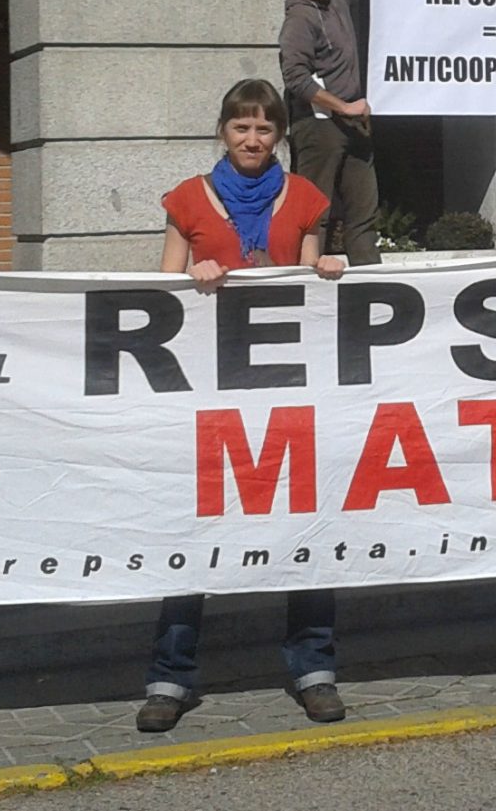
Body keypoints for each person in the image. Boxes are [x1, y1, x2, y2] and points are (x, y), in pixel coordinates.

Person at [141, 78, 350, 732]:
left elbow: (306, 285)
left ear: (279, 136)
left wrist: (326, 271)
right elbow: (160, 292)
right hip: (209, 393)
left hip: (287, 393)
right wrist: (190, 277)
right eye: (241, 127)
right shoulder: (187, 199)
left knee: (306, 524)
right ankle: (170, 677)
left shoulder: (305, 198)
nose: (253, 139)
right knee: (194, 527)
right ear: (223, 132)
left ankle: (314, 668)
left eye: (264, 128)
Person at [278, 0, 391, 266]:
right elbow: (295, 77)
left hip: (354, 121)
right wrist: (342, 106)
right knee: (316, 213)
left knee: (364, 212)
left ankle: (371, 283)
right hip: (319, 127)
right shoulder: (299, 19)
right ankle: (310, 281)